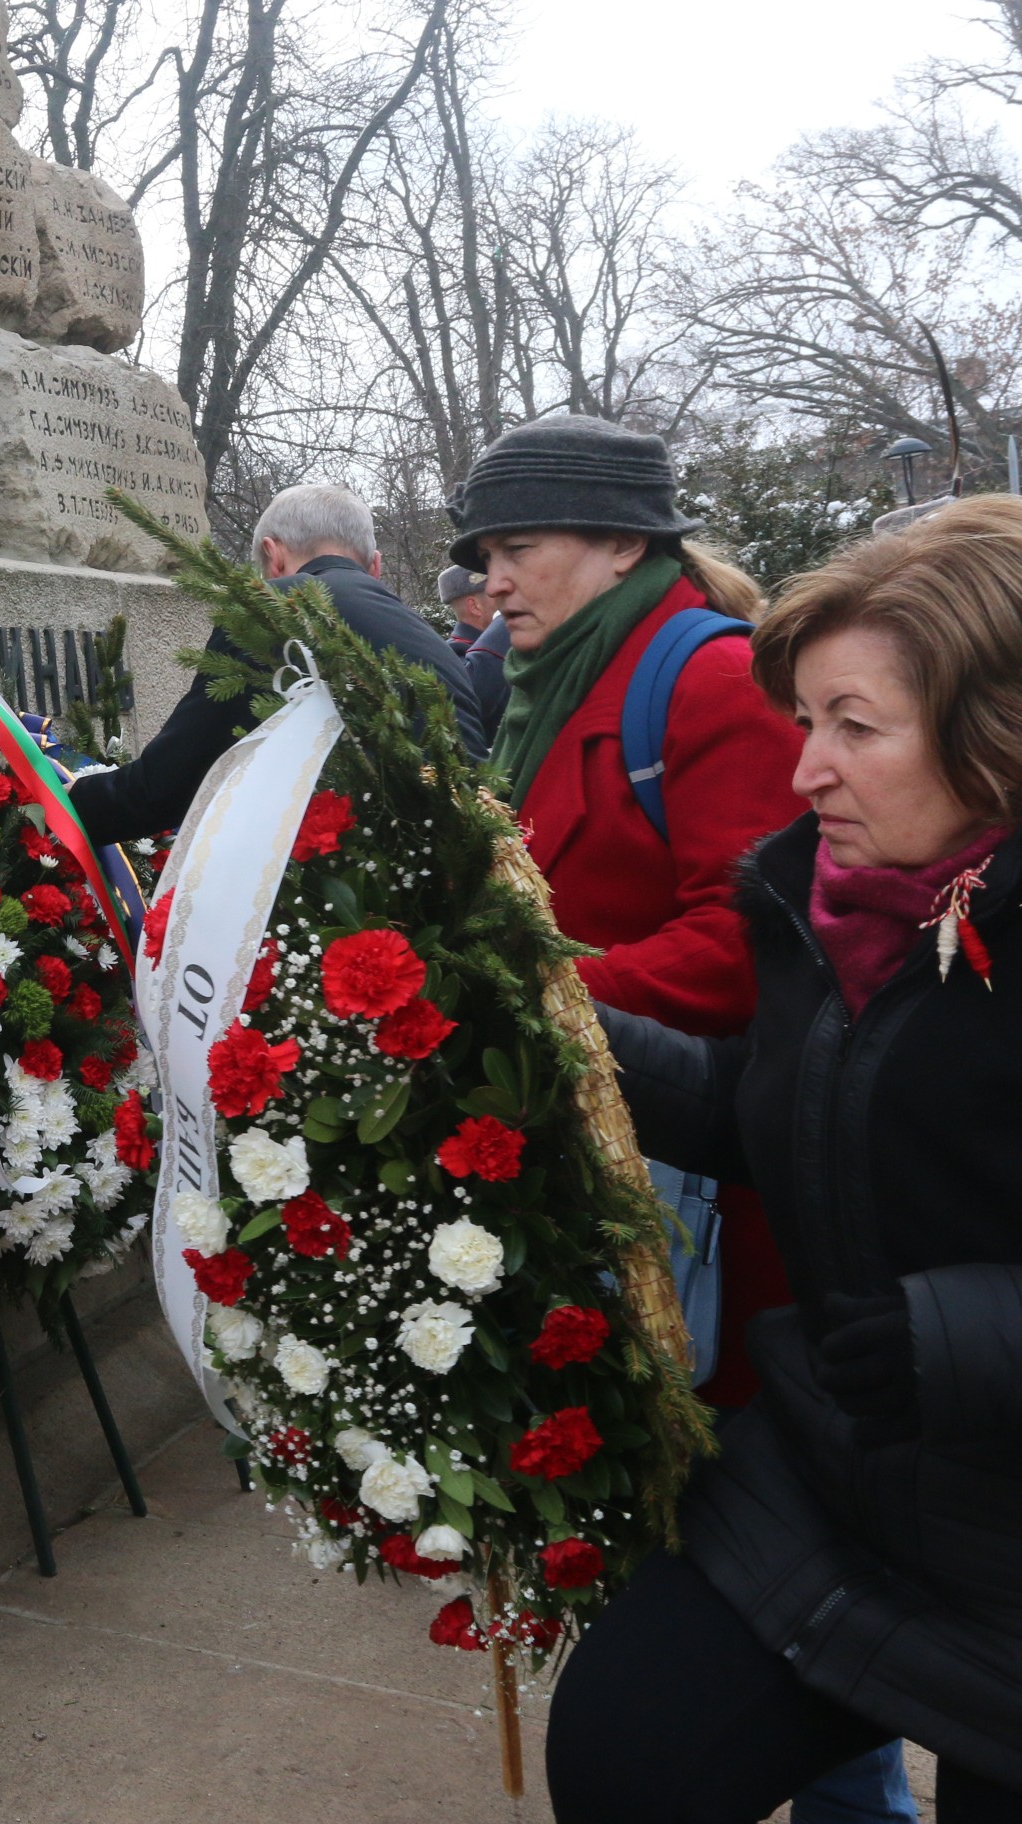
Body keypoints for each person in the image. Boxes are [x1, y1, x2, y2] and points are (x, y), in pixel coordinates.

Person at [457, 419, 917, 1824]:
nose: (490, 580)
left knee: (791, 1577)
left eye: (517, 547)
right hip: (638, 1154)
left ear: (619, 544)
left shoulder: (704, 679)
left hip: (729, 1196)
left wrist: (541, 1002)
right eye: (481, 554)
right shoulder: (544, 683)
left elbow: (750, 935)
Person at [547, 493, 1022, 1822]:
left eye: (854, 727)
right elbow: (782, 1110)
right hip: (842, 1480)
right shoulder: (823, 904)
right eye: (808, 720)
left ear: (997, 735)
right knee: (630, 1759)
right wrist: (570, 1037)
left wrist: (961, 1335)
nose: (807, 770)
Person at [65, 483, 484, 843]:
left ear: (273, 555)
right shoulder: (426, 632)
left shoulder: (276, 609)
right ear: (375, 566)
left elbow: (167, 785)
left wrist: (62, 803)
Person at [439, 561, 512, 727]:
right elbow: (476, 696)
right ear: (475, 606)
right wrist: (506, 618)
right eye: (499, 595)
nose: (508, 600)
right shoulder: (450, 655)